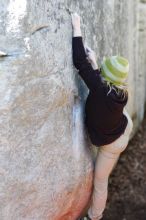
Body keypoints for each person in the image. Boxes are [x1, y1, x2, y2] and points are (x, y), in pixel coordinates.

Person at [71, 12, 133, 220]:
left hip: (113, 144)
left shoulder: (99, 90)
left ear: (106, 78)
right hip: (125, 125)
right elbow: (102, 86)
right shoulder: (121, 92)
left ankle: (95, 216)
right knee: (116, 111)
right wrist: (97, 65)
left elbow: (80, 61)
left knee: (100, 182)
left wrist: (76, 26)